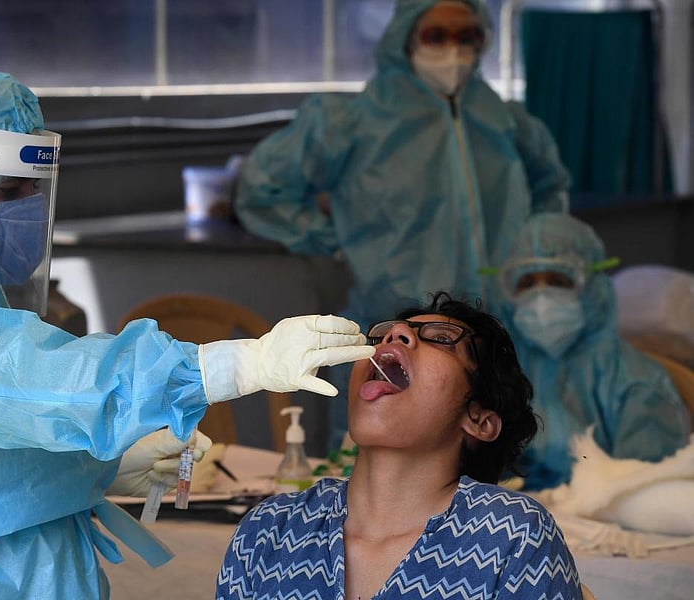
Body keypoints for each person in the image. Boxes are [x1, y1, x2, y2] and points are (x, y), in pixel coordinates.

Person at [0, 57, 375, 599]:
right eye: (7, 192)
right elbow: (31, 381)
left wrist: (96, 465)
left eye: (32, 192)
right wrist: (230, 366)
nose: (24, 209)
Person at [234, 0, 571, 449]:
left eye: (467, 36)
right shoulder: (353, 122)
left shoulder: (502, 119)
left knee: (498, 459)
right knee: (383, 465)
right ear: (405, 38)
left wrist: (533, 259)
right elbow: (262, 189)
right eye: (438, 35)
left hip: (498, 330)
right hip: (395, 326)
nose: (455, 49)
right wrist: (339, 240)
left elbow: (550, 188)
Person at [216, 291, 584, 599]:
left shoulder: (510, 537)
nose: (395, 336)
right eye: (382, 337)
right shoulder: (268, 530)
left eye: (440, 338)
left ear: (479, 420)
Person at [489, 212, 691, 491]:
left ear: (594, 288)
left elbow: (649, 491)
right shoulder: (502, 374)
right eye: (526, 284)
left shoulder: (638, 384)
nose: (541, 298)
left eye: (558, 281)